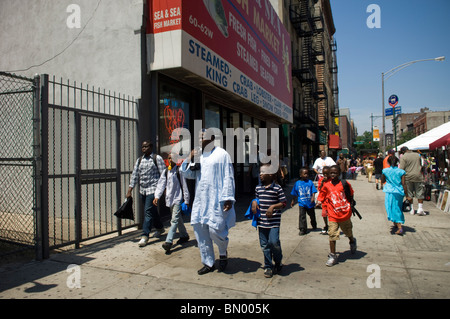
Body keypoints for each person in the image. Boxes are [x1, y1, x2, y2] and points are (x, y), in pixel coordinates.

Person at [180, 130, 235, 275]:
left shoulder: (222, 154)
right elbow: (187, 174)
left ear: (211, 138)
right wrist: (189, 158)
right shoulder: (199, 156)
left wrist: (228, 197)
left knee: (215, 229)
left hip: (216, 200)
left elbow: (228, 176)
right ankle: (208, 262)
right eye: (198, 136)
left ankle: (222, 252)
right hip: (200, 200)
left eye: (202, 136)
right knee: (200, 230)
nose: (199, 138)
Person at [316, 165, 357, 267]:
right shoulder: (326, 185)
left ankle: (352, 241)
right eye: (331, 173)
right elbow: (322, 195)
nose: (333, 175)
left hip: (344, 213)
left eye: (335, 173)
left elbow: (351, 194)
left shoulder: (344, 184)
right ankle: (333, 255)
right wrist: (319, 202)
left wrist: (350, 204)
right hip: (333, 214)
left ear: (339, 174)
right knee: (332, 234)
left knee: (348, 231)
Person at [127, 141, 166, 247]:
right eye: (142, 147)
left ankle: (145, 235)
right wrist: (130, 189)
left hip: (153, 190)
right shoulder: (139, 160)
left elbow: (163, 175)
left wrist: (164, 190)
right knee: (152, 211)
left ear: (151, 147)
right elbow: (135, 175)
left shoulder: (157, 159)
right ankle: (160, 228)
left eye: (146, 146)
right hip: (143, 190)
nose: (143, 148)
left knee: (148, 212)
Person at [252, 164, 287, 278]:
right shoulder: (258, 188)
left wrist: (273, 207)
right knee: (264, 245)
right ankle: (268, 266)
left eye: (263, 173)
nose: (260, 175)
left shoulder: (277, 188)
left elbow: (283, 203)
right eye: (260, 173)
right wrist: (254, 202)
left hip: (273, 222)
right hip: (262, 222)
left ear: (271, 174)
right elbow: (257, 199)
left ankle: (278, 261)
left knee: (274, 242)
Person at [153, 153, 190, 253]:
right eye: (169, 158)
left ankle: (168, 242)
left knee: (174, 220)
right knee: (178, 219)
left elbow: (184, 185)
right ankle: (184, 235)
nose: (170, 160)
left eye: (172, 158)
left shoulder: (179, 171)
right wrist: (157, 196)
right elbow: (161, 184)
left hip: (177, 199)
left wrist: (186, 200)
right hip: (169, 199)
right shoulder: (166, 171)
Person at [381, 156, 408, 235]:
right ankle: (396, 222)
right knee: (397, 207)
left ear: (388, 163)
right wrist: (407, 195)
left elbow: (383, 180)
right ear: (397, 162)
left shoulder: (385, 171)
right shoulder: (401, 172)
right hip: (399, 192)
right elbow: (404, 184)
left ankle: (399, 227)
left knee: (391, 208)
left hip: (390, 191)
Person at [290, 167, 317, 235]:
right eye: (304, 174)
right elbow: (294, 193)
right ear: (300, 175)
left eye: (307, 174)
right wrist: (293, 200)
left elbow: (313, 191)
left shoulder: (310, 182)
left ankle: (314, 224)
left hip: (310, 203)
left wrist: (313, 197)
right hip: (302, 203)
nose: (306, 175)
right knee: (302, 216)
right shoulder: (297, 183)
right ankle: (302, 229)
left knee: (312, 215)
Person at [399, 147, 425, 216]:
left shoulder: (403, 157)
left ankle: (412, 209)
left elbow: (401, 169)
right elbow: (422, 165)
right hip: (418, 176)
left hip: (408, 177)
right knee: (419, 192)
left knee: (409, 193)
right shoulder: (417, 155)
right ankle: (420, 208)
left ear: (403, 151)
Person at [317, 166, 331, 234]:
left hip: (330, 201)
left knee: (331, 214)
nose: (325, 175)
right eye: (324, 173)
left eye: (327, 173)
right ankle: (326, 225)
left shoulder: (331, 180)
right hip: (324, 201)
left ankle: (331, 226)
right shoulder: (321, 180)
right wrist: (322, 182)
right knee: (324, 214)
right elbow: (320, 189)